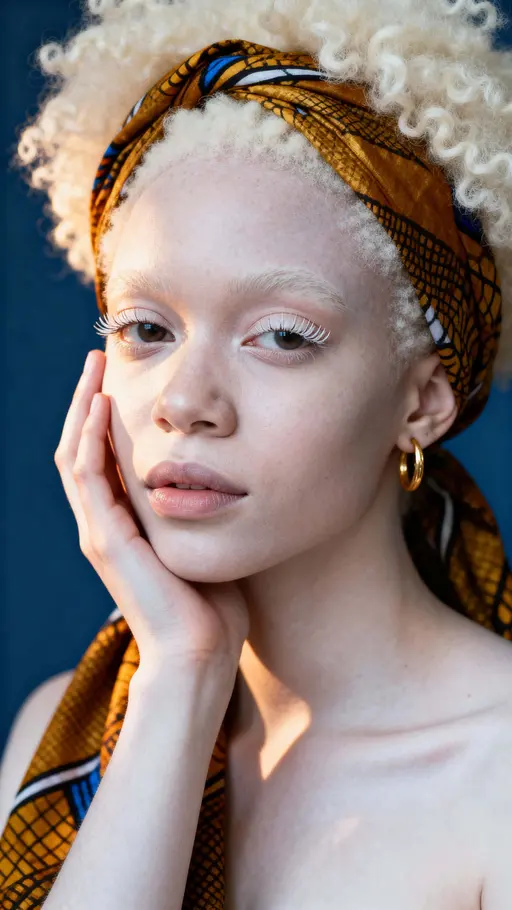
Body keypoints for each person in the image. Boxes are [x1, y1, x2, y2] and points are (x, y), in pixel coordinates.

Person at [1, 0, 511, 906]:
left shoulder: (495, 775)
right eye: (146, 328)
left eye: (280, 336)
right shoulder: (67, 728)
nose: (187, 404)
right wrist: (182, 679)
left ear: (425, 401)